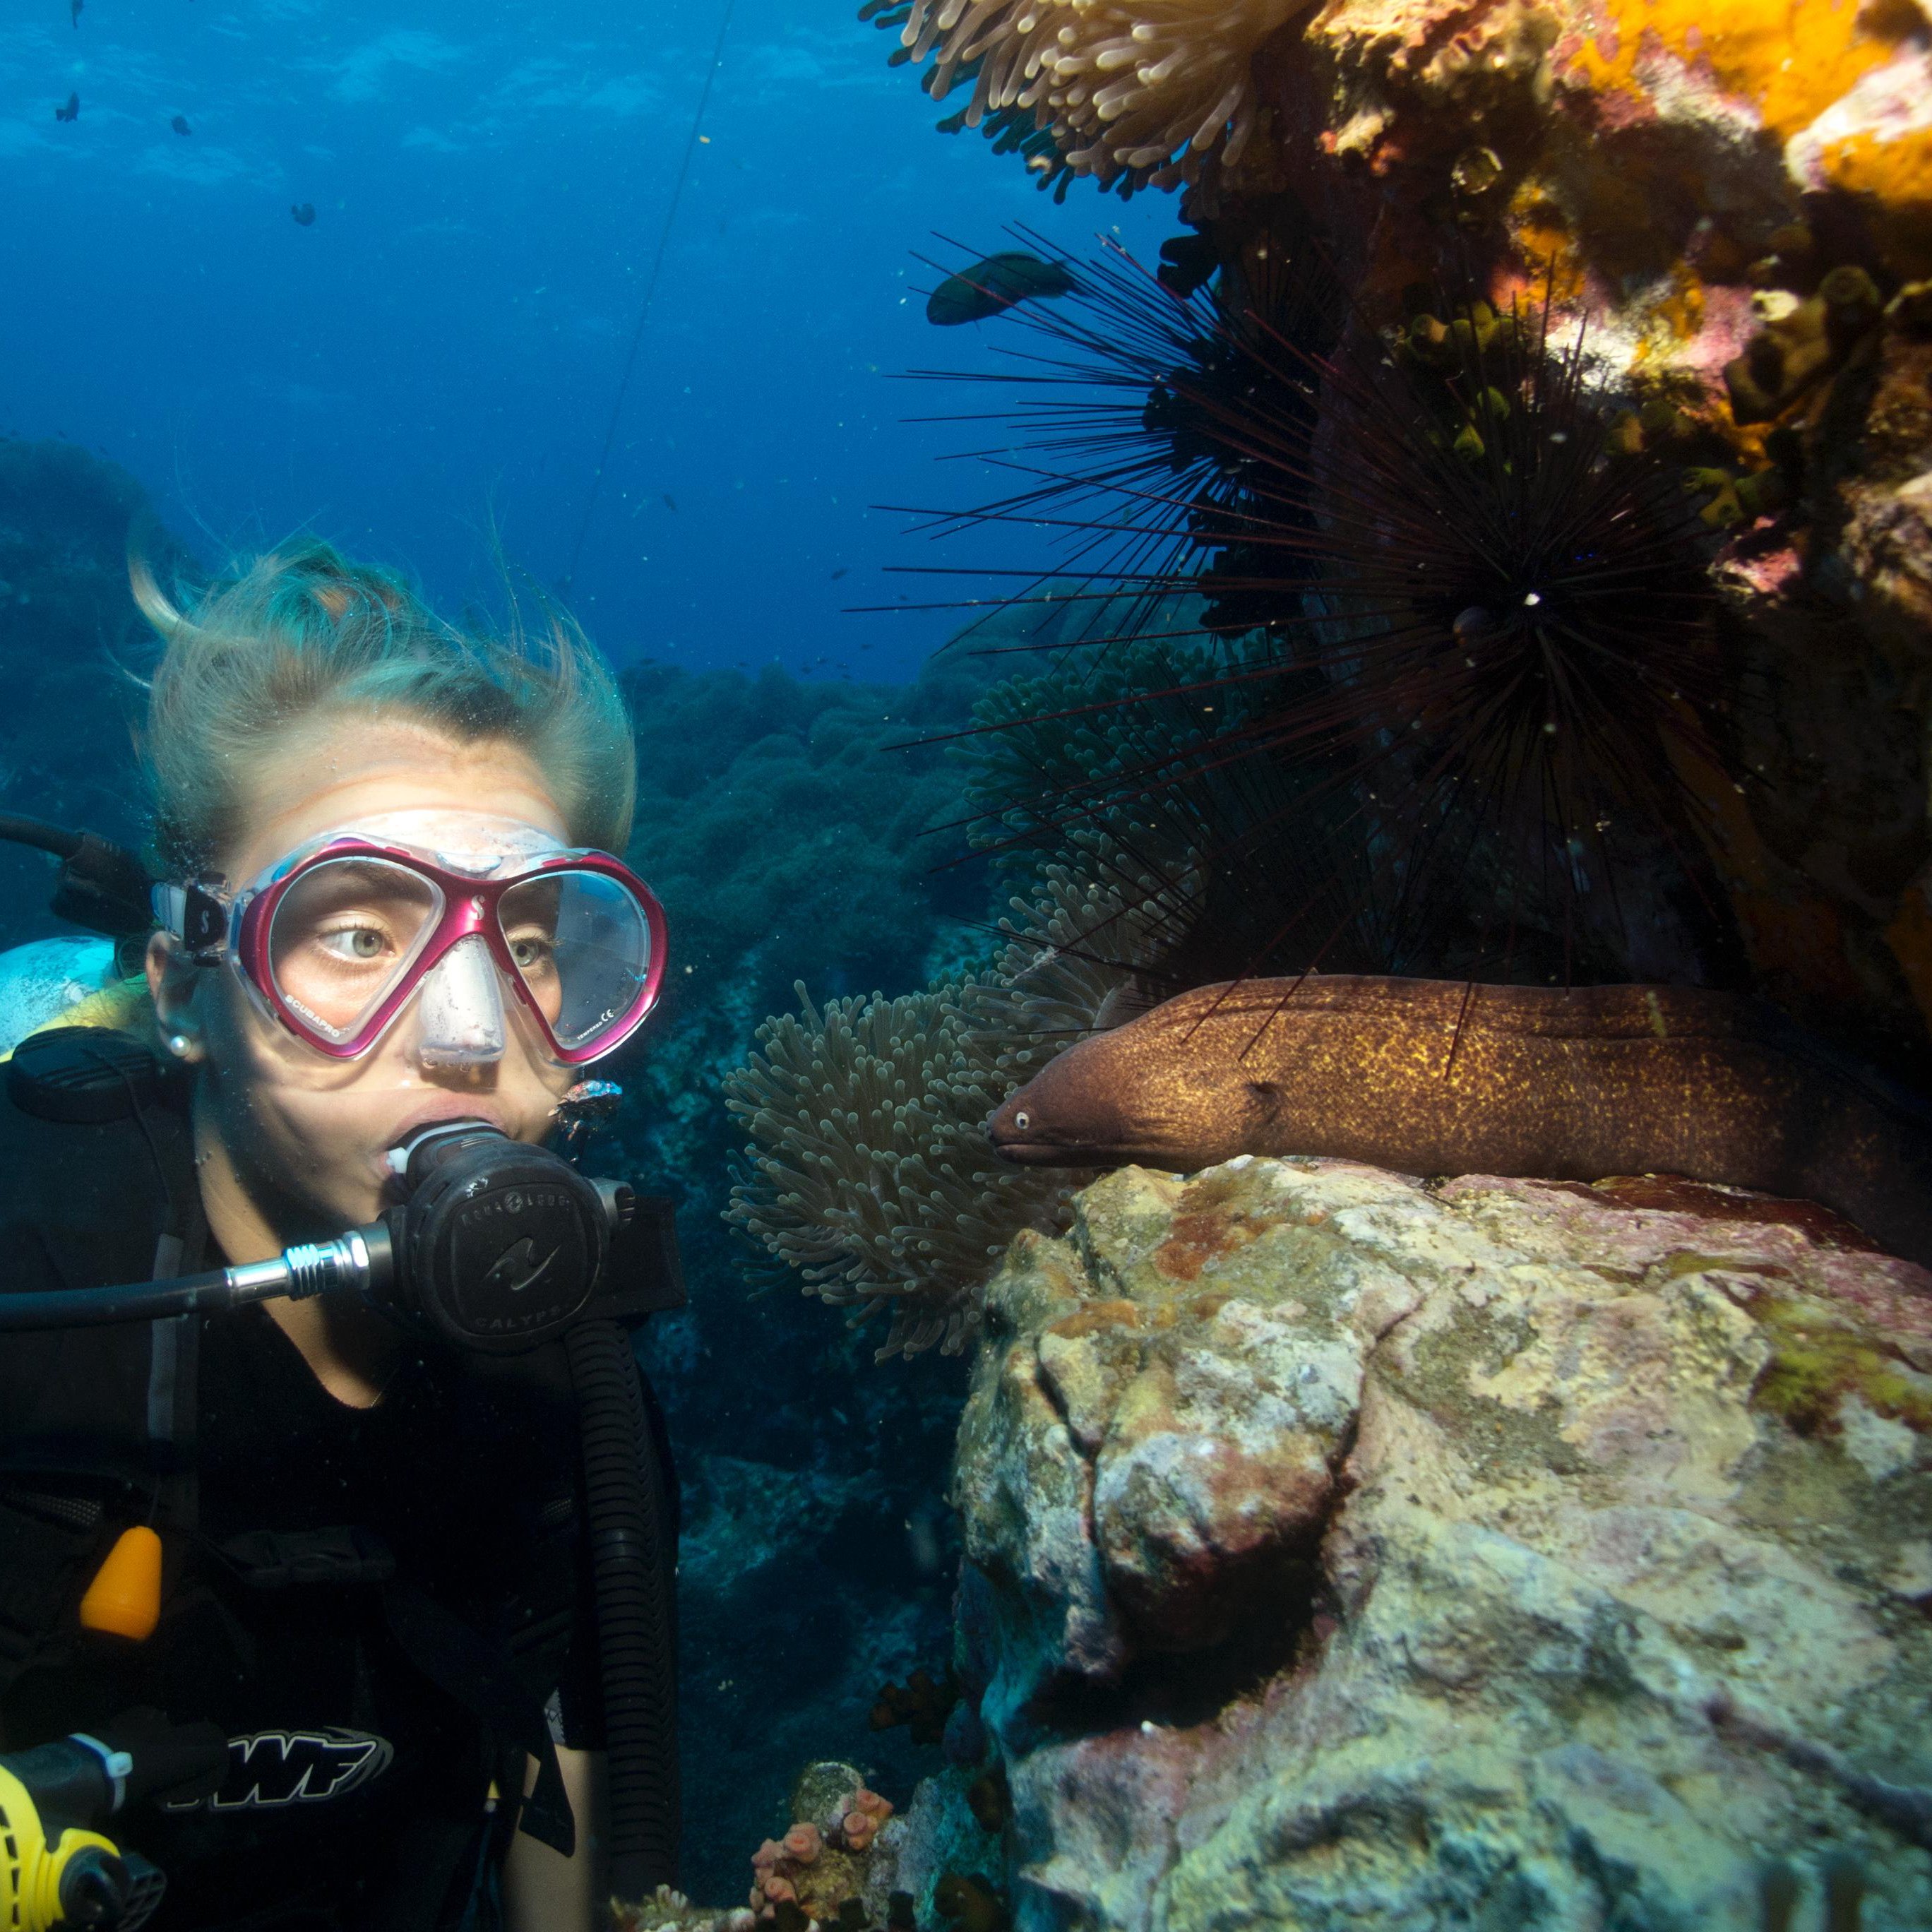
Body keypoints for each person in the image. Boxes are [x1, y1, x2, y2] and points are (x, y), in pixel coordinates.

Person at [0, 544, 675, 1931]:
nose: (471, 1034)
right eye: (362, 935)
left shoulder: (575, 1382)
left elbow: (572, 1814)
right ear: (189, 984)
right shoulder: (30, 1273)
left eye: (535, 943)